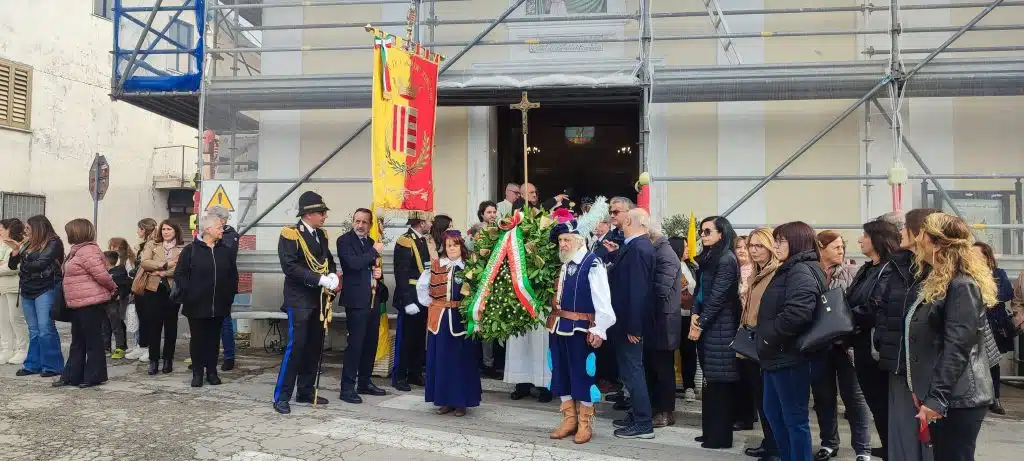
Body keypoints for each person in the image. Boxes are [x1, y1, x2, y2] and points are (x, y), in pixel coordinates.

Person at [906, 213, 996, 461]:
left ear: (935, 242)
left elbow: (957, 348)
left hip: (959, 398)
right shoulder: (941, 281)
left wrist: (936, 398)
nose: (916, 240)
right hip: (947, 393)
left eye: (921, 233)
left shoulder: (961, 285)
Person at [757, 221, 825, 461]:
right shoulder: (790, 268)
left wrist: (768, 337)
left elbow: (798, 313)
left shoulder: (801, 270)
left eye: (780, 241)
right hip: (777, 356)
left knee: (794, 420)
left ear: (796, 242)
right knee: (774, 413)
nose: (775, 246)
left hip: (790, 356)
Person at [546, 219, 616, 444]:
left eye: (566, 240)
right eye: (560, 240)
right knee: (560, 371)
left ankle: (585, 423)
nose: (562, 244)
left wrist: (600, 328)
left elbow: (603, 299)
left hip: (581, 329)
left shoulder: (593, 263)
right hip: (558, 327)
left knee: (583, 375)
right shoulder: (563, 264)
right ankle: (569, 419)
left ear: (579, 240)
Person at [875, 208, 937, 461]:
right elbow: (886, 308)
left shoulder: (940, 272)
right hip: (898, 361)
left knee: (930, 438)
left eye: (905, 227)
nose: (899, 232)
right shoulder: (899, 265)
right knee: (901, 432)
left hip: (927, 366)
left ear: (921, 233)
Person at [272, 191, 339, 414]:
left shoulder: (322, 235)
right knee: (296, 347)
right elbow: (289, 267)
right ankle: (282, 396)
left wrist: (332, 275)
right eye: (321, 212)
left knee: (314, 347)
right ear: (309, 214)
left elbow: (327, 260)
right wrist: (319, 278)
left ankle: (305, 391)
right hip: (299, 299)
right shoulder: (290, 234)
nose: (324, 216)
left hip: (319, 299)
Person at [810, 230, 873, 461]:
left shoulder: (851, 273)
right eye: (835, 247)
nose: (841, 251)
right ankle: (828, 443)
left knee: (855, 399)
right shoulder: (812, 273)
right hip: (819, 345)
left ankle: (863, 449)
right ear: (821, 248)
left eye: (842, 247)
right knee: (823, 397)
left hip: (846, 346)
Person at [847, 218, 901, 458]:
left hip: (875, 348)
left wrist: (846, 318)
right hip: (861, 344)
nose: (860, 239)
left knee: (882, 402)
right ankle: (888, 445)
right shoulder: (868, 268)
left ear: (878, 239)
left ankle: (893, 448)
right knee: (875, 402)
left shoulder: (889, 269)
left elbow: (874, 307)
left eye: (865, 236)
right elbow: (852, 299)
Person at [689, 216, 741, 449]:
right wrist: (694, 314)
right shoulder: (709, 257)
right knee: (710, 381)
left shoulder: (728, 259)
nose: (703, 235)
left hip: (721, 327)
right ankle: (710, 431)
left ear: (722, 233)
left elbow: (718, 297)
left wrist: (700, 323)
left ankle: (720, 437)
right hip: (708, 324)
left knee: (720, 382)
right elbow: (699, 292)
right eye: (702, 231)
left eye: (708, 231)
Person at [417, 230, 481, 417]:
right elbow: (422, 287)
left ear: (462, 246)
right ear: (444, 248)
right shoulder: (436, 266)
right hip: (440, 320)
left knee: (461, 361)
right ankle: (444, 400)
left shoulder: (469, 267)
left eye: (455, 244)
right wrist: (433, 305)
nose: (452, 248)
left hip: (461, 319)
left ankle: (461, 402)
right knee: (442, 360)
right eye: (449, 245)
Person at [607, 207, 656, 439]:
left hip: (629, 324)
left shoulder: (639, 248)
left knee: (633, 371)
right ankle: (637, 414)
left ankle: (644, 422)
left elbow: (638, 291)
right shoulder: (635, 246)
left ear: (628, 220)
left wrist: (634, 327)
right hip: (624, 321)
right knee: (628, 372)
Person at [176, 215, 238, 388]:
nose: (222, 230)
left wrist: (229, 295)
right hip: (196, 304)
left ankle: (212, 371)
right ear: (208, 229)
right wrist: (190, 293)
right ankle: (197, 373)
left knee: (213, 340)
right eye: (219, 227)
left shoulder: (225, 250)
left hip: (219, 304)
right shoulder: (190, 250)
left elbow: (233, 275)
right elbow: (180, 275)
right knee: (198, 339)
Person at [737, 228, 781, 461]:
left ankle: (774, 448)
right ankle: (769, 441)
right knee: (761, 399)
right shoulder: (757, 271)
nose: (753, 250)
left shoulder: (775, 273)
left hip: (764, 343)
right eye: (751, 245)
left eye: (759, 246)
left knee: (768, 401)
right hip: (751, 341)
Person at [57, 219, 115, 388]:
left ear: (77, 232)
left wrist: (113, 288)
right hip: (77, 301)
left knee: (92, 340)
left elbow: (102, 275)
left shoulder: (88, 250)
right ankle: (72, 375)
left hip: (90, 301)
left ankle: (94, 375)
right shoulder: (76, 250)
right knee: (78, 340)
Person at [337, 207, 387, 404]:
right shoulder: (344, 241)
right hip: (356, 300)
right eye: (357, 221)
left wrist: (379, 274)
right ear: (353, 222)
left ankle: (365, 382)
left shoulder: (372, 242)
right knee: (355, 344)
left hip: (373, 299)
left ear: (370, 225)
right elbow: (353, 264)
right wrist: (374, 252)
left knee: (370, 344)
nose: (360, 225)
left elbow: (374, 268)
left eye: (364, 222)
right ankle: (347, 387)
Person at [7, 215, 65, 378]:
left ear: (37, 228)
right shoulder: (27, 243)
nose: (25, 231)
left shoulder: (54, 242)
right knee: (33, 330)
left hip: (45, 287)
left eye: (28, 228)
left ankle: (53, 365)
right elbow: (13, 265)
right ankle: (33, 364)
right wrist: (16, 250)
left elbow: (40, 264)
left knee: (45, 328)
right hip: (27, 289)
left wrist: (22, 261)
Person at [972, 242, 1015, 415]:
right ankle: (978, 396)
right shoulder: (967, 274)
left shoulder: (998, 273)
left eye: (977, 255)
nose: (973, 258)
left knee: (993, 362)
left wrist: (987, 297)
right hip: (975, 323)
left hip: (995, 323)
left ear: (987, 257)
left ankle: (995, 398)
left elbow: (1006, 293)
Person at [646, 223, 682, 428]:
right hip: (657, 320)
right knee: (656, 367)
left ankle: (666, 411)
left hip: (663, 321)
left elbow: (660, 290)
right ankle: (657, 409)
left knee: (663, 370)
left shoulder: (665, 254)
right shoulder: (658, 250)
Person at [392, 211, 432, 392]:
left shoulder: (422, 239)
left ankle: (415, 372)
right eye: (429, 221)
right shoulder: (405, 241)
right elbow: (401, 273)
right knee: (405, 339)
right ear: (422, 223)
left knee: (417, 338)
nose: (431, 224)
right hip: (410, 295)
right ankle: (399, 376)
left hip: (422, 295)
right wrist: (407, 300)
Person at [139, 220, 185, 375]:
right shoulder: (152, 244)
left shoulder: (182, 248)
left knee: (171, 326)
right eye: (163, 229)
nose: (165, 232)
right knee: (154, 325)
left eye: (169, 229)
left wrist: (162, 272)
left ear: (175, 231)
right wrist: (164, 265)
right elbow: (145, 262)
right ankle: (153, 360)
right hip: (153, 288)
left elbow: (181, 268)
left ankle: (168, 359)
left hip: (172, 289)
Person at [207, 205, 239, 372]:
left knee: (224, 321)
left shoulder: (230, 235)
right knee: (206, 322)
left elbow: (226, 256)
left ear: (223, 220)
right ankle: (205, 356)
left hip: (225, 285)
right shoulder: (206, 235)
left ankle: (229, 356)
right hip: (207, 284)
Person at [668, 236, 698, 403]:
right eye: (685, 247)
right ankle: (670, 386)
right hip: (673, 315)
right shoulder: (671, 266)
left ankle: (689, 386)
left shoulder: (689, 266)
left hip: (688, 316)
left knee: (688, 353)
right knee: (671, 352)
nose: (688, 250)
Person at [126, 218, 158, 362]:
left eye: (139, 229)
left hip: (149, 283)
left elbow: (146, 264)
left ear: (144, 230)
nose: (137, 232)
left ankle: (151, 347)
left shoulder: (153, 244)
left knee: (149, 317)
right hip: (139, 284)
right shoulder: (141, 245)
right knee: (141, 316)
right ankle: (142, 345)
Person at [0, 218, 28, 365]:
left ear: (9, 229)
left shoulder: (18, 244)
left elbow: (14, 267)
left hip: (14, 287)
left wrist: (2, 268)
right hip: (2, 287)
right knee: (3, 320)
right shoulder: (3, 245)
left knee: (16, 319)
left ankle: (22, 349)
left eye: (1, 230)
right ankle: (7, 349)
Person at [103, 251, 132, 359]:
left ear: (105, 261)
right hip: (105, 303)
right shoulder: (106, 273)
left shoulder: (118, 273)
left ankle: (120, 347)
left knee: (116, 326)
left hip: (114, 304)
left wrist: (120, 294)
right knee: (105, 326)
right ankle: (106, 347)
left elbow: (126, 285)